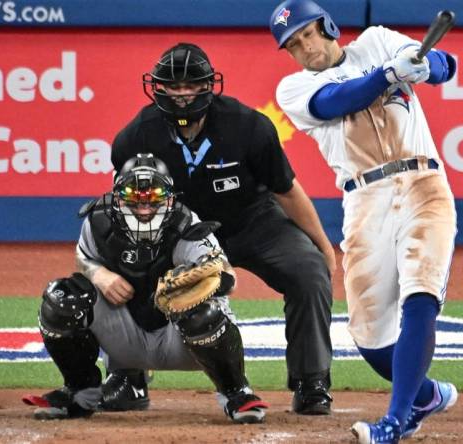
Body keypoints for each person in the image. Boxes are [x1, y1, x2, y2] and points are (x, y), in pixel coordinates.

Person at [109, 43, 335, 415]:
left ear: (208, 86)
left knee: (309, 272)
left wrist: (322, 247)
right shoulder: (135, 137)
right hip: (178, 232)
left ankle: (311, 383)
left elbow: (287, 190)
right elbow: (129, 205)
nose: (182, 95)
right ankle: (127, 377)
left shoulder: (248, 126)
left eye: (191, 85)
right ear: (157, 88)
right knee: (126, 265)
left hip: (252, 222)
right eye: (173, 86)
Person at [269, 0, 459, 442]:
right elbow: (339, 99)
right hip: (364, 198)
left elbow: (446, 64)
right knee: (371, 340)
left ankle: (395, 421)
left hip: (422, 184)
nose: (305, 48)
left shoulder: (378, 42)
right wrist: (387, 76)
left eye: (307, 34)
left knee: (420, 292)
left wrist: (423, 65)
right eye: (293, 44)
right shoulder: (292, 89)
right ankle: (425, 395)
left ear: (326, 26)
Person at [23, 153, 269, 423]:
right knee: (62, 298)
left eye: (153, 198)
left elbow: (227, 276)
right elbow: (84, 258)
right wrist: (99, 274)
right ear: (117, 196)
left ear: (170, 198)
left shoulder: (187, 225)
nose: (144, 207)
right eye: (134, 196)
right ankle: (80, 393)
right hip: (125, 337)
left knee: (203, 312)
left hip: (184, 340)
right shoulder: (98, 222)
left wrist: (193, 281)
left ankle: (236, 392)